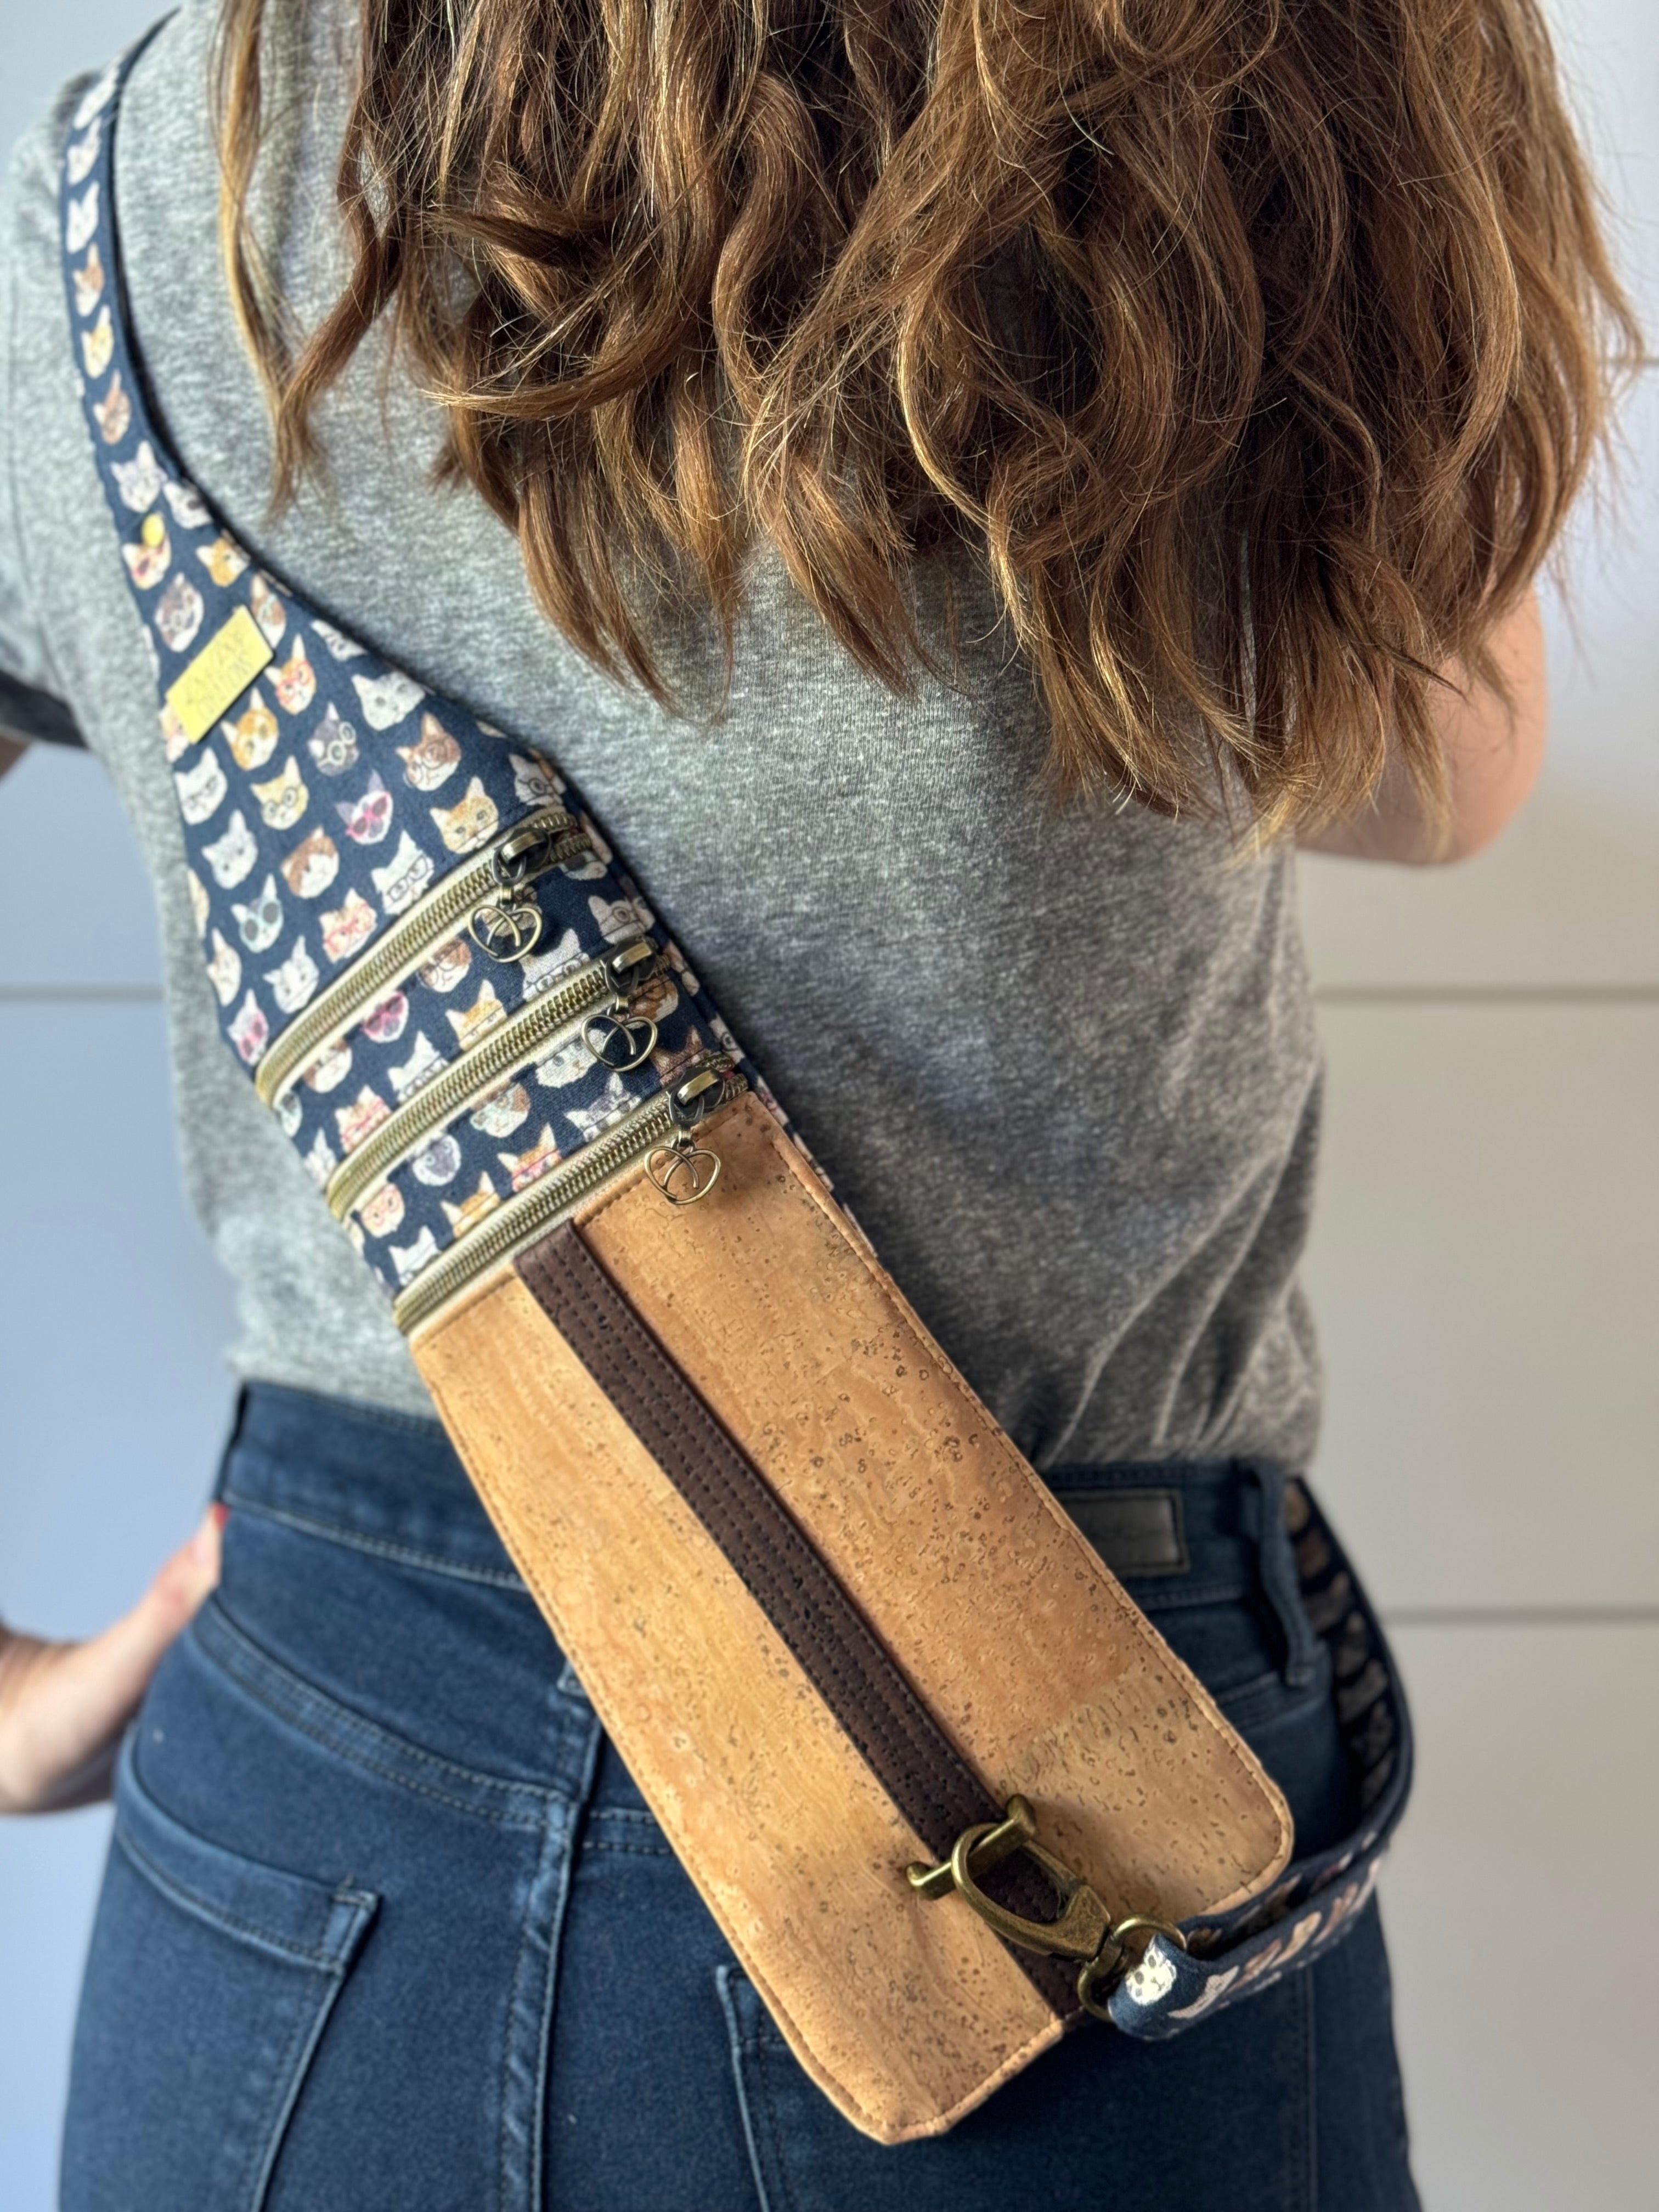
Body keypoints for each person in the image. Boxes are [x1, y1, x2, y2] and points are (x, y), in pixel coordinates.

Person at [0, 0, 1634, 2204]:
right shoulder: (1233, 61)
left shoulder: (140, 178)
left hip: (320, 1798)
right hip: (1039, 1777)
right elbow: (1443, 763)